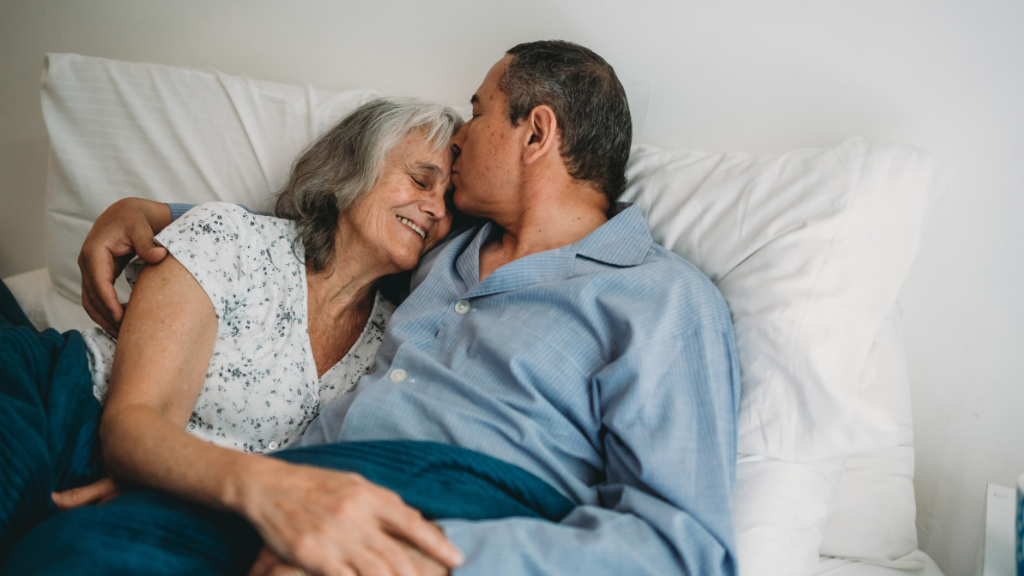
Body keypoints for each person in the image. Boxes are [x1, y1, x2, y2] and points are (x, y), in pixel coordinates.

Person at [15, 40, 741, 576]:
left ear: (537, 132)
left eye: (479, 112)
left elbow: (686, 547)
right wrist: (153, 213)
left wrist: (432, 562)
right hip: (294, 488)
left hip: (457, 516)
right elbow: (340, 228)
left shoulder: (663, 298)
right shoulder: (444, 252)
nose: (460, 139)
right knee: (74, 553)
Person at [0, 98, 475, 574]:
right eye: (419, 180)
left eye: (449, 203)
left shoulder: (396, 345)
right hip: (56, 405)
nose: (435, 208)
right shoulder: (231, 238)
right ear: (355, 167)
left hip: (178, 498)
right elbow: (133, 426)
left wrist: (173, 483)